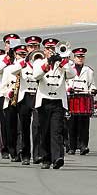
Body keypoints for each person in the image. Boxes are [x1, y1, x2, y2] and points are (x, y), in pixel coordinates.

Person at [32, 38, 75, 169]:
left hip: (58, 101)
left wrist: (62, 63)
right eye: (48, 49)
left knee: (56, 130)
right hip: (44, 100)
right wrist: (48, 64)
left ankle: (57, 157)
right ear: (44, 50)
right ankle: (46, 158)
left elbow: (72, 74)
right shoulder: (39, 62)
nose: (51, 51)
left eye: (53, 48)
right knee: (44, 131)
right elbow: (36, 75)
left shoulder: (63, 63)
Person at [66, 48, 97, 155]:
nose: (80, 59)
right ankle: (72, 146)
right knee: (72, 123)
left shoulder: (88, 70)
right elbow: (65, 82)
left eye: (82, 57)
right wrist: (68, 88)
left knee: (84, 123)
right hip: (72, 98)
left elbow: (92, 84)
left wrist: (93, 89)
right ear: (74, 58)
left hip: (84, 98)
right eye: (78, 57)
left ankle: (84, 145)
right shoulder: (69, 69)